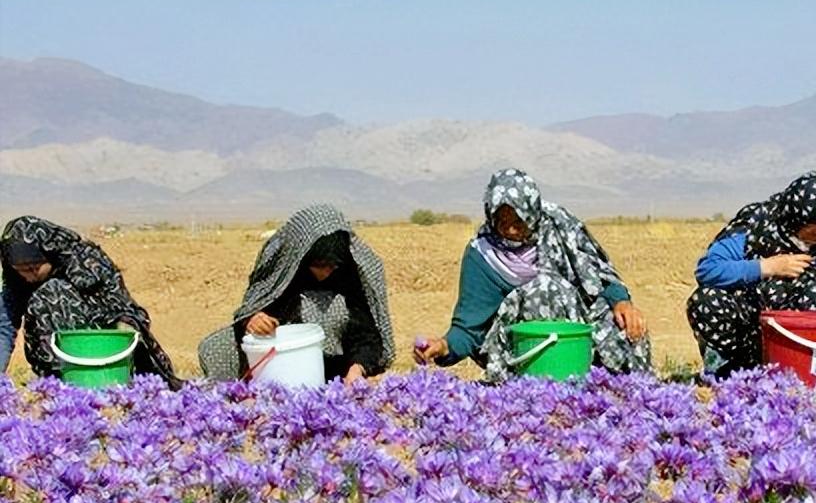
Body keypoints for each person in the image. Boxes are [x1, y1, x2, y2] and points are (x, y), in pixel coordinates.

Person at [414, 169, 652, 381]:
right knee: (545, 289)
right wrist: (444, 346)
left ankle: (626, 390)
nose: (510, 229)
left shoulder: (561, 227)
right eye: (502, 220)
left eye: (518, 220)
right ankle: (540, 388)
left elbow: (597, 277)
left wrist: (622, 301)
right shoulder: (483, 255)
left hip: (577, 331)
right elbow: (469, 328)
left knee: (624, 322)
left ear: (532, 212)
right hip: (519, 348)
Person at [685, 171, 816, 378]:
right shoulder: (757, 227)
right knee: (707, 300)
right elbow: (708, 270)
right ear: (796, 218)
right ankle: (727, 372)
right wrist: (767, 267)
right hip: (748, 336)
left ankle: (809, 373)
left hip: (804, 349)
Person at [198, 205, 394, 382]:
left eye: (333, 266)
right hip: (279, 357)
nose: (325, 273)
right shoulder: (282, 266)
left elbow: (366, 335)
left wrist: (357, 367)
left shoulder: (350, 274)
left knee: (330, 310)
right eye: (318, 265)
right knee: (216, 345)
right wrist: (252, 320)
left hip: (334, 368)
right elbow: (255, 304)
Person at [0, 216, 181, 387]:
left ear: (51, 255)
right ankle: (58, 382)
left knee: (51, 292)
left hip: (105, 350)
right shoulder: (17, 281)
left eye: (34, 268)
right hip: (56, 359)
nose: (28, 276)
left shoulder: (87, 262)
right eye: (20, 270)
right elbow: (4, 327)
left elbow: (125, 308)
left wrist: (123, 326)